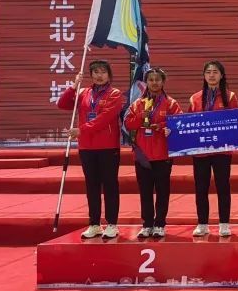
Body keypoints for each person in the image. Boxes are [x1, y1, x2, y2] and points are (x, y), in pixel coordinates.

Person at [57, 59, 124, 239]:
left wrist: (81, 130)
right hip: (87, 146)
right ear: (91, 75)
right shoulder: (83, 93)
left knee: (109, 185)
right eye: (96, 72)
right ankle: (94, 224)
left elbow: (104, 118)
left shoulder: (115, 94)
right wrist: (74, 86)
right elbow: (62, 104)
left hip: (108, 146)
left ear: (109, 75)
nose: (99, 76)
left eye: (103, 72)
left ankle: (112, 224)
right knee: (92, 185)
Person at [123, 68, 182, 238]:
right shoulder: (137, 104)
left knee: (162, 191)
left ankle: (160, 224)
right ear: (146, 82)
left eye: (157, 79)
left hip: (163, 154)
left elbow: (179, 123)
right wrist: (141, 117)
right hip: (142, 155)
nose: (154, 83)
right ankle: (147, 224)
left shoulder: (171, 103)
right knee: (145, 192)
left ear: (163, 82)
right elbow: (128, 124)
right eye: (150, 80)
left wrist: (161, 126)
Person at [188, 60, 238, 237]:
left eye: (215, 72)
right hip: (200, 151)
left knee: (223, 186)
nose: (211, 75)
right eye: (208, 72)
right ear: (204, 76)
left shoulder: (230, 96)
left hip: (222, 150)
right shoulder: (195, 98)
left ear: (221, 75)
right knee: (201, 187)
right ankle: (202, 224)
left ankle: (224, 224)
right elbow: (187, 124)